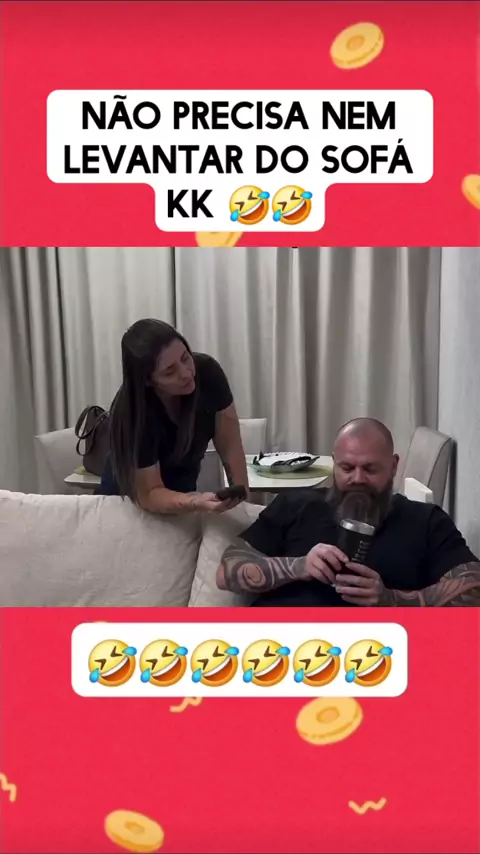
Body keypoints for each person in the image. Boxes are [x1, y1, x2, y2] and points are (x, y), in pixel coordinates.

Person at [217, 417, 480, 606]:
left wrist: (391, 599)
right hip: (284, 647)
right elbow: (225, 572)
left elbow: (474, 588)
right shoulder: (295, 504)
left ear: (393, 466)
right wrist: (298, 566)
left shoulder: (425, 520)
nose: (358, 479)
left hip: (377, 651)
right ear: (334, 464)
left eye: (370, 469)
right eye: (347, 468)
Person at [98, 318, 249, 514]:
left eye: (185, 358)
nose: (186, 373)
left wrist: (242, 501)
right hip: (128, 507)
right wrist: (194, 501)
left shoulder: (208, 374)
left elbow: (231, 446)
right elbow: (149, 494)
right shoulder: (132, 412)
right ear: (148, 381)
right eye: (170, 372)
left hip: (182, 494)